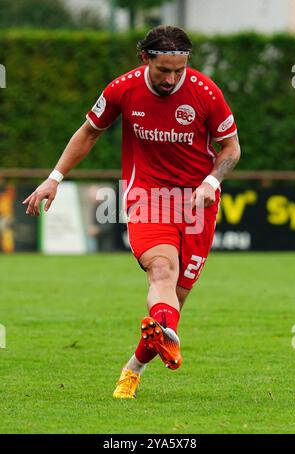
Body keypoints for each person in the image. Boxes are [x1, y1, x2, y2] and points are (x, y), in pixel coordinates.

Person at [23, 26, 241, 399]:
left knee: (174, 303)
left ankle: (133, 368)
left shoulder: (206, 92)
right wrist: (54, 178)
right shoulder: (122, 89)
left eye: (179, 70)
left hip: (197, 202)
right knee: (162, 271)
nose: (172, 79)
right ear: (145, 60)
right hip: (147, 198)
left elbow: (231, 148)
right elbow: (89, 132)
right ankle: (158, 343)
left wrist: (211, 182)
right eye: (164, 71)